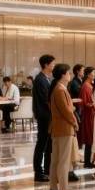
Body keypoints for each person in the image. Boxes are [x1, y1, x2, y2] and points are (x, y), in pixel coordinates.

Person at [48, 63, 79, 190]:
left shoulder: (58, 88)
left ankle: (54, 187)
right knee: (63, 161)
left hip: (58, 129)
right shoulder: (60, 90)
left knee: (56, 160)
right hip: (64, 129)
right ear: (63, 75)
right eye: (68, 72)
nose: (70, 75)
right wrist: (74, 122)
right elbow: (66, 111)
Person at [33, 54, 55, 182]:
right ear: (46, 65)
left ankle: (47, 169)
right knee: (41, 144)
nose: (54, 66)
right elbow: (46, 100)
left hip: (47, 116)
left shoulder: (47, 78)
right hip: (44, 116)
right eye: (52, 63)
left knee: (48, 145)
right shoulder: (40, 79)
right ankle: (38, 172)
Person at [80, 66, 95, 168]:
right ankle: (87, 162)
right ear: (89, 74)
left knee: (90, 140)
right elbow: (85, 103)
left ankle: (88, 161)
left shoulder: (89, 85)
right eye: (93, 73)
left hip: (91, 115)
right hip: (88, 116)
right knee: (89, 140)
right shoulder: (86, 86)